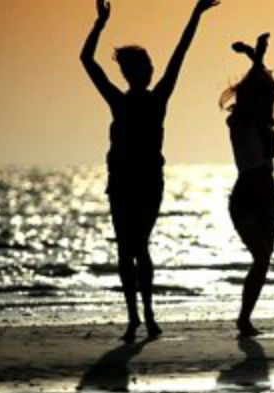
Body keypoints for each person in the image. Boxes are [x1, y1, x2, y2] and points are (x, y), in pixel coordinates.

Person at [80, 0, 219, 343]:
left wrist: (195, 16)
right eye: (147, 66)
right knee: (130, 249)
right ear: (136, 72)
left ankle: (146, 317)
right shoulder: (129, 100)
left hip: (142, 184)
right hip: (126, 184)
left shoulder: (149, 100)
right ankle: (136, 318)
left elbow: (180, 53)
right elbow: (87, 61)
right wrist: (99, 24)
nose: (153, 69)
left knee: (135, 246)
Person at [220, 33, 274, 338]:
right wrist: (256, 56)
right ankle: (243, 319)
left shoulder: (263, 121)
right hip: (247, 192)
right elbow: (256, 87)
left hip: (267, 192)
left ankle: (245, 319)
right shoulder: (240, 121)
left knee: (264, 258)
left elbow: (262, 86)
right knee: (261, 257)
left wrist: (256, 57)